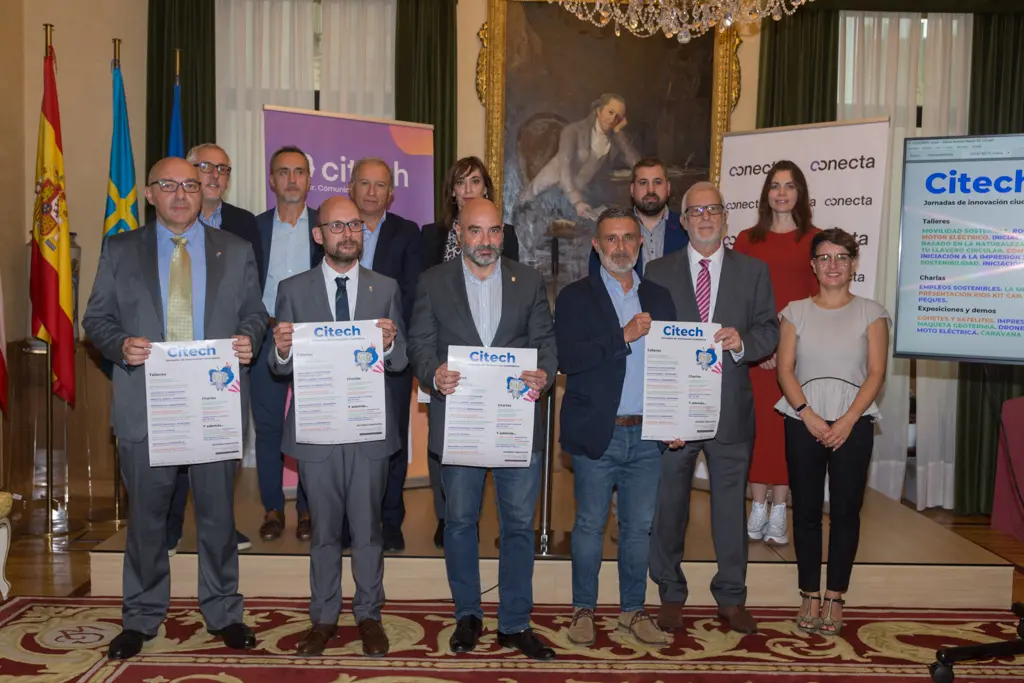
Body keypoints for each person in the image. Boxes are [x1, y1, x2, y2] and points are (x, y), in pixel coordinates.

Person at [83, 157, 267, 660]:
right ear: (149, 194)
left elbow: (255, 313)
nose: (182, 195)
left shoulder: (237, 249)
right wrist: (121, 344)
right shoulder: (121, 250)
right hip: (148, 406)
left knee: (216, 517)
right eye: (169, 185)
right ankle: (140, 618)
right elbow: (95, 319)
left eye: (191, 184)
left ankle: (225, 612)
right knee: (145, 520)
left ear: (204, 190)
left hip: (214, 404)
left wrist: (250, 338)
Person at [408, 198, 558, 660]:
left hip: (516, 426)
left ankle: (514, 623)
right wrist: (433, 373)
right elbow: (419, 344)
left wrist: (544, 375)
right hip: (461, 425)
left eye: (494, 232)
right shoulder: (433, 282)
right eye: (476, 231)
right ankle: (467, 615)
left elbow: (546, 346)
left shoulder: (528, 281)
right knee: (459, 523)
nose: (486, 241)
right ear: (459, 232)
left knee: (517, 525)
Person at [269, 195, 406, 657]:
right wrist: (284, 348)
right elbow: (279, 366)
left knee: (368, 531)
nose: (348, 233)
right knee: (324, 532)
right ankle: (323, 619)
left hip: (368, 430)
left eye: (355, 225)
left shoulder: (385, 287)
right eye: (337, 226)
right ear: (318, 234)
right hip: (318, 429)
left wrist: (389, 345)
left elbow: (401, 358)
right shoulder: (293, 288)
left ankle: (369, 615)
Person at [645, 181, 779, 635]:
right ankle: (669, 592)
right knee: (670, 505)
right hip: (675, 411)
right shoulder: (657, 271)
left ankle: (732, 597)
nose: (705, 217)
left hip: (730, 411)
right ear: (682, 221)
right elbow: (649, 340)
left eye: (713, 210)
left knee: (728, 509)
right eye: (695, 211)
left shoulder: (753, 271)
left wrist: (744, 343)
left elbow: (769, 330)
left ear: (725, 219)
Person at [555, 206, 676, 648]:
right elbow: (567, 358)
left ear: (640, 243)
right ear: (596, 245)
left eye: (628, 238)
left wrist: (675, 418)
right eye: (611, 239)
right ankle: (583, 610)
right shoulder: (575, 297)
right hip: (596, 432)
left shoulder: (660, 297)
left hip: (648, 434)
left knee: (638, 527)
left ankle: (632, 611)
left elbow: (673, 366)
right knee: (588, 525)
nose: (620, 247)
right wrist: (621, 336)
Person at [775, 228, 889, 637]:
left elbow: (876, 373)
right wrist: (807, 414)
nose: (833, 265)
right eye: (824, 258)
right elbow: (785, 369)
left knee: (844, 513)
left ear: (854, 263)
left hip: (853, 423)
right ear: (813, 265)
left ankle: (835, 595)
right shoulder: (794, 311)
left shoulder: (872, 313)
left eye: (842, 257)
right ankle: (808, 592)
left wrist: (846, 421)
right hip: (802, 420)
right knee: (805, 512)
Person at [165, 143, 262, 555]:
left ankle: (221, 527)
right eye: (206, 167)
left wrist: (247, 335)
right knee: (170, 453)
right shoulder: (165, 222)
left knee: (218, 451)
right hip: (169, 358)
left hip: (219, 365)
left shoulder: (243, 224)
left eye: (223, 168)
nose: (215, 175)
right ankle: (168, 528)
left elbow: (251, 296)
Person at [420, 155, 520, 548]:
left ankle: (480, 516)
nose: (467, 189)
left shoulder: (504, 233)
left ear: (486, 188)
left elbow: (514, 289)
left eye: (474, 181)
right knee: (443, 439)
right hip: (444, 360)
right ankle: (449, 516)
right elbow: (421, 293)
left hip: (493, 363)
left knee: (491, 441)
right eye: (460, 182)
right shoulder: (431, 234)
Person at [732, 160, 820, 545]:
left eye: (789, 185)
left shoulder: (816, 241)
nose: (781, 192)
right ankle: (757, 506)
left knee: (789, 432)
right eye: (775, 185)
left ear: (799, 193)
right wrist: (758, 347)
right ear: (765, 193)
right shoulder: (746, 240)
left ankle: (780, 508)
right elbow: (737, 301)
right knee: (758, 431)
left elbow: (819, 301)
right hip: (754, 353)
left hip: (798, 355)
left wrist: (786, 350)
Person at [347, 157, 424, 553]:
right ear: (351, 189)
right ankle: (348, 519)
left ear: (391, 193)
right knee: (348, 437)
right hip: (342, 356)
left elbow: (411, 294)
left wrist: (395, 340)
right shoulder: (339, 229)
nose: (372, 192)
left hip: (391, 352)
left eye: (380, 185)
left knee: (392, 438)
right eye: (365, 183)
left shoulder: (407, 233)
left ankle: (391, 517)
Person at [254, 146, 322, 543]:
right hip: (267, 335)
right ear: (272, 180)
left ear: (309, 180)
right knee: (267, 428)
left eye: (299, 172)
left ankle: (309, 510)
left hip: (316, 342)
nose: (292, 179)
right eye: (283, 172)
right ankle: (272, 508)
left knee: (311, 426)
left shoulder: (323, 225)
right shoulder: (256, 228)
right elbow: (247, 284)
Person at [519, 93, 641, 222]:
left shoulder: (614, 141)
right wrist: (577, 201)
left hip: (575, 200)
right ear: (599, 110)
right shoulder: (573, 131)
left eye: (618, 116)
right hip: (548, 191)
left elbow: (638, 166)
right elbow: (565, 170)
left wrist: (619, 132)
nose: (613, 119)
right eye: (610, 112)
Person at [587, 157, 688, 277]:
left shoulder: (686, 228)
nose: (651, 190)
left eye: (657, 182)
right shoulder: (611, 229)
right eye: (643, 183)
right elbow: (596, 281)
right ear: (632, 189)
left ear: (668, 188)